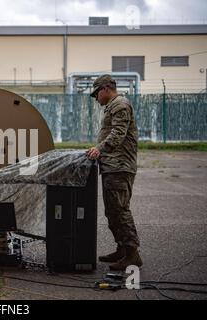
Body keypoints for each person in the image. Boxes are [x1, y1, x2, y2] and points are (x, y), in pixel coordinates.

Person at [87, 74, 143, 271]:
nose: (96, 98)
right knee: (112, 211)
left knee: (120, 210)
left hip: (120, 166)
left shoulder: (120, 104)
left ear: (105, 89)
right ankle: (122, 249)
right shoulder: (113, 106)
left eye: (96, 94)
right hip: (112, 166)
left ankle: (132, 254)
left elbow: (118, 133)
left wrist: (99, 149)